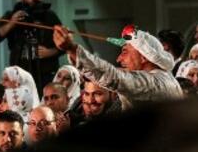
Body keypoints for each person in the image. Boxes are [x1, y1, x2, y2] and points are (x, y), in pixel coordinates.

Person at [54, 25, 182, 104]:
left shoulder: (155, 84)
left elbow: (115, 77)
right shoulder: (163, 78)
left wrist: (71, 49)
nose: (119, 59)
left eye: (125, 52)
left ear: (143, 57)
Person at [0, 0, 63, 91]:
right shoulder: (12, 15)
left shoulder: (50, 16)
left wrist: (50, 52)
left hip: (46, 75)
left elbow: (66, 45)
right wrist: (11, 24)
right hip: (19, 76)